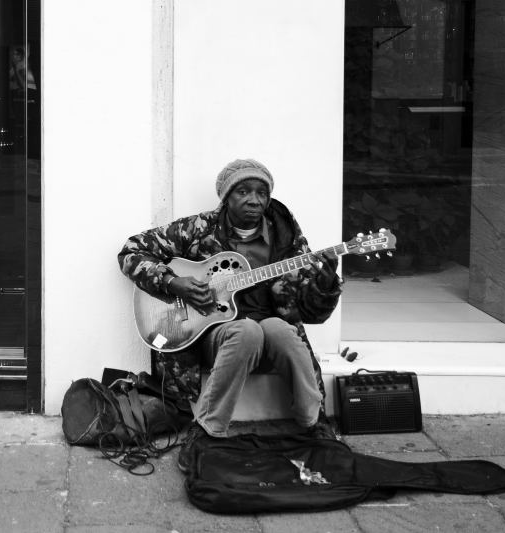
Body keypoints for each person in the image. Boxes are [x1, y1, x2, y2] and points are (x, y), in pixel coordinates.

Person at [118, 158, 343, 473]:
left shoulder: (285, 236)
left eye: (261, 192)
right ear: (226, 196)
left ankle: (314, 424)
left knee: (280, 329)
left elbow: (312, 312)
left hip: (269, 330)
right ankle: (208, 431)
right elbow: (131, 252)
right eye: (244, 191)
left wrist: (325, 284)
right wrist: (173, 283)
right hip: (217, 334)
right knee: (245, 332)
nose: (254, 200)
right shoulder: (199, 229)